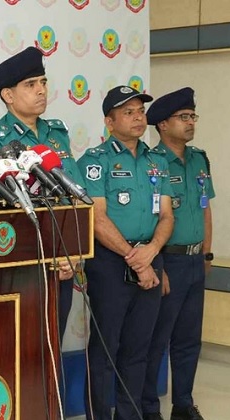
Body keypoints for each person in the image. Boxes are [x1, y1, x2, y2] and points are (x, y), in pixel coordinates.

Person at [77, 86, 174, 420]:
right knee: (105, 351)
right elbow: (96, 218)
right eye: (128, 112)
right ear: (109, 120)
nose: (138, 117)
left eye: (140, 111)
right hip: (110, 263)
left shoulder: (157, 161)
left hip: (151, 256)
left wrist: (152, 253)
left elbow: (166, 216)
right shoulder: (95, 161)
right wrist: (137, 259)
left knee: (138, 350)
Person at [0, 46, 79, 338]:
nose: (41, 91)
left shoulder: (57, 133)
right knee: (22, 345)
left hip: (60, 258)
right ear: (8, 95)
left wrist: (71, 251)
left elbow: (73, 198)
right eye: (30, 85)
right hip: (20, 261)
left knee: (53, 342)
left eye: (43, 83)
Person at [141, 88, 212, 420]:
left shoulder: (199, 158)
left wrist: (207, 255)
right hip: (168, 261)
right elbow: (152, 219)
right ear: (162, 124)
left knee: (189, 340)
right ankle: (149, 407)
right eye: (183, 118)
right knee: (158, 340)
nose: (190, 123)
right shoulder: (152, 163)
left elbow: (205, 209)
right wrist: (160, 265)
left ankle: (183, 404)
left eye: (192, 117)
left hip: (196, 261)